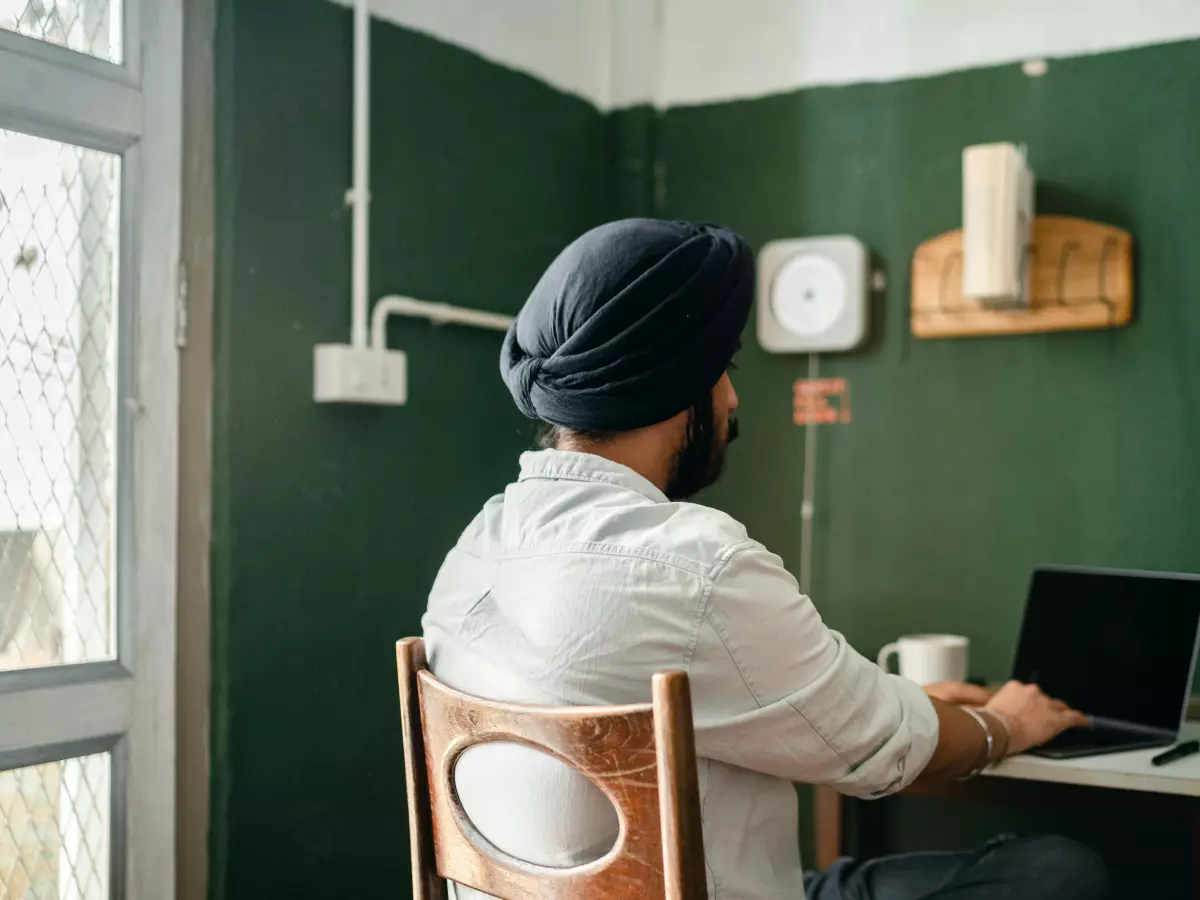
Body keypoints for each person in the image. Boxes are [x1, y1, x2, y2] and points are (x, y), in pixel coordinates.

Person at [422, 219, 1113, 900]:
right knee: (1057, 871)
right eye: (724, 368)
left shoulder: (474, 553)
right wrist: (1008, 724)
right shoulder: (695, 567)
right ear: (679, 381)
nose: (731, 398)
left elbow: (823, 713)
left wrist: (902, 701)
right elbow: (884, 754)